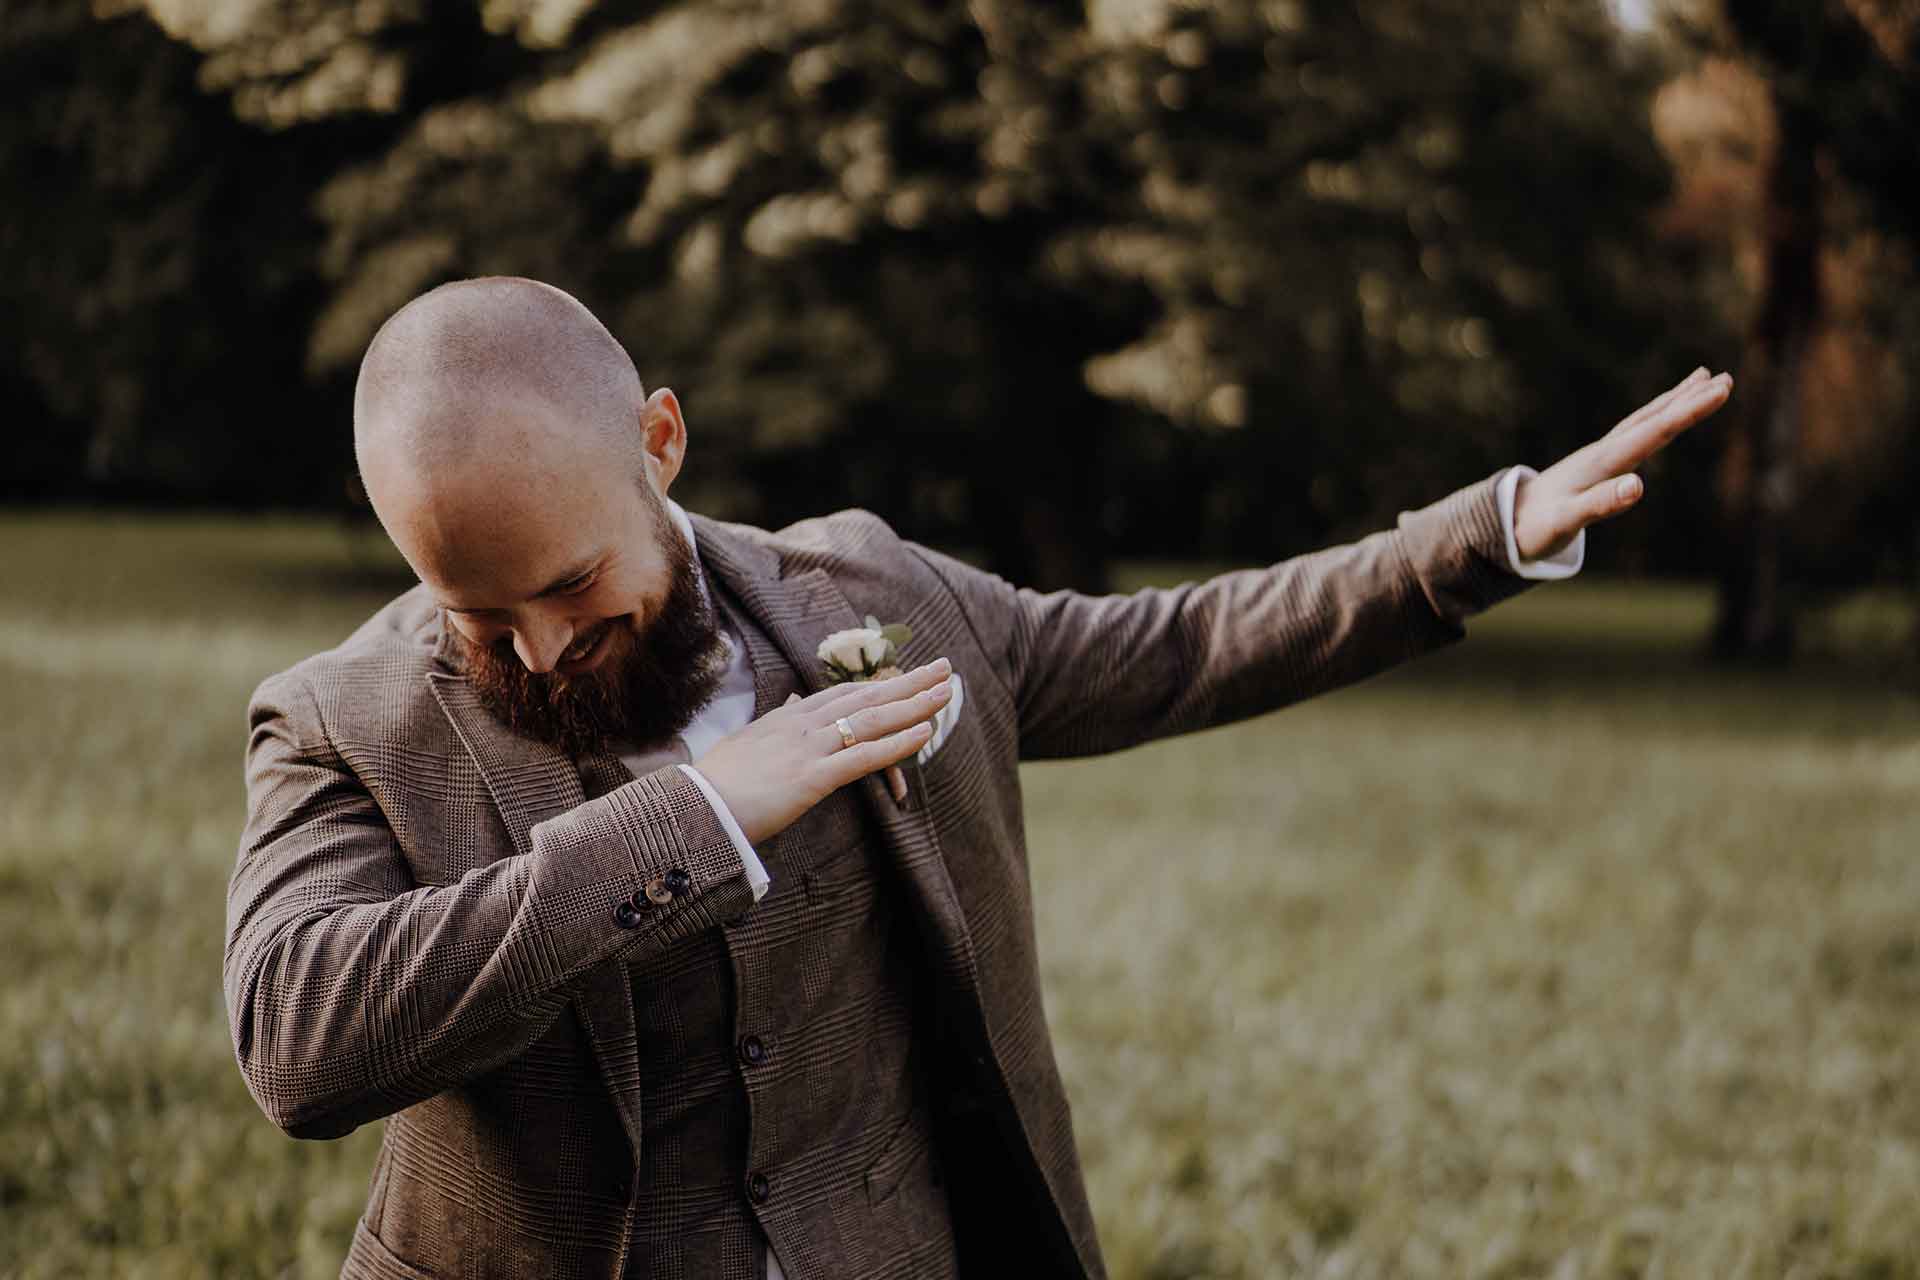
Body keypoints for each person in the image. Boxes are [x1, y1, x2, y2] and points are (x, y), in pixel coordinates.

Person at [225, 275, 1732, 1280]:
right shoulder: (337, 724)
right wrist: (692, 819)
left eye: (569, 583)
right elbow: (301, 1045)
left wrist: (1488, 532)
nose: (544, 652)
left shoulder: (870, 593)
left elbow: (1175, 646)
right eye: (481, 615)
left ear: (661, 441)